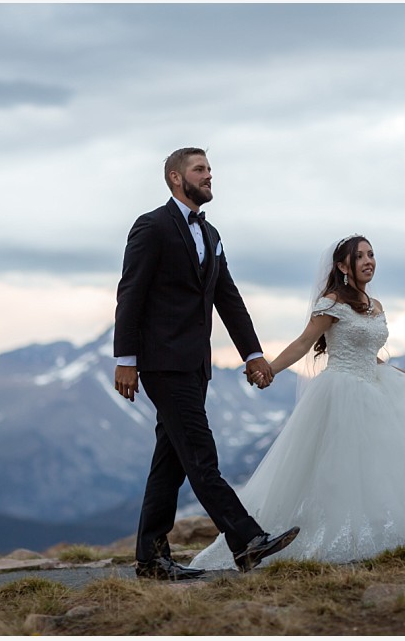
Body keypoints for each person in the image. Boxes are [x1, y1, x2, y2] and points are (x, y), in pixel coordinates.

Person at [190, 235, 405, 569]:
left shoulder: (375, 304)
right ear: (343, 266)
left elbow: (369, 352)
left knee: (380, 465)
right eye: (360, 257)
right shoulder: (331, 303)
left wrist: (401, 372)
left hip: (376, 386)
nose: (369, 261)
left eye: (372, 255)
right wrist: (269, 369)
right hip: (342, 392)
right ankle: (306, 537)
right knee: (340, 470)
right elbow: (303, 344)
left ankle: (380, 533)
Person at [113, 147, 299, 580]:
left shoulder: (211, 234)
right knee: (200, 455)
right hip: (161, 364)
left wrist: (253, 354)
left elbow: (228, 299)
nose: (209, 176)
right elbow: (131, 293)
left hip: (197, 366)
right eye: (200, 170)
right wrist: (126, 360)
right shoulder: (152, 226)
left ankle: (151, 560)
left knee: (171, 462)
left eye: (210, 169)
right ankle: (247, 540)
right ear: (176, 178)